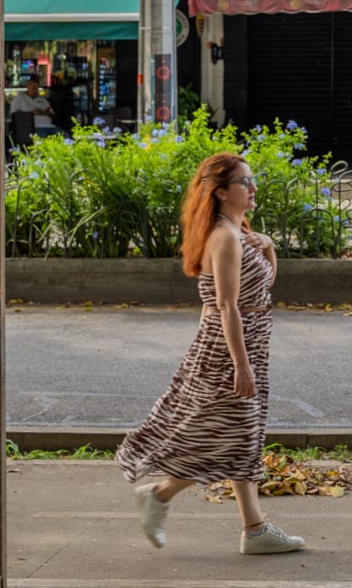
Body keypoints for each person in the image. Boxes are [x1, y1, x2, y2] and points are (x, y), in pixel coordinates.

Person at [120, 152, 304, 557]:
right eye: (244, 183)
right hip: (227, 349)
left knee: (240, 435)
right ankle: (160, 495)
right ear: (220, 193)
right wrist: (240, 364)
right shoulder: (223, 237)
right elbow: (227, 306)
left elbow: (261, 288)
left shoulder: (240, 232)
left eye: (252, 180)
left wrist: (270, 247)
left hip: (247, 341)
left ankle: (254, 530)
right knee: (225, 435)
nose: (253, 188)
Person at [8, 77, 54, 145]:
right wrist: (31, 114)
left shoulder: (42, 99)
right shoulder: (19, 98)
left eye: (37, 88)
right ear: (27, 87)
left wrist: (42, 112)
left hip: (48, 126)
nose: (35, 91)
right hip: (30, 130)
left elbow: (52, 114)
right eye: (33, 88)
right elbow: (14, 115)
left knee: (65, 136)